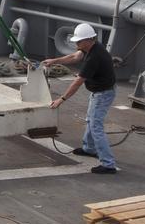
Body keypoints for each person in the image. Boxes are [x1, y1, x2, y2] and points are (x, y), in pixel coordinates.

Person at [43, 22, 118, 174]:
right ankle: (89, 149)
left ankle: (108, 164)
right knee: (91, 120)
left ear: (89, 40)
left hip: (103, 94)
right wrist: (54, 61)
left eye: (79, 41)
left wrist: (61, 99)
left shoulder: (94, 57)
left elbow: (77, 82)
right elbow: (74, 56)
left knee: (96, 126)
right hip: (99, 92)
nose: (77, 44)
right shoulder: (92, 47)